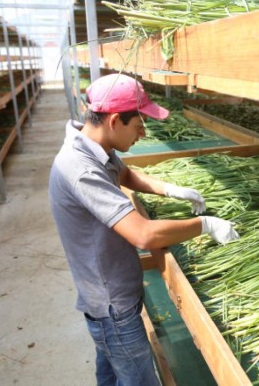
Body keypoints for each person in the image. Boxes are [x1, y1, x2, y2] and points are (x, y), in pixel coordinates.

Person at [48, 73, 239, 386]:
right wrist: (205, 225)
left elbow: (125, 175)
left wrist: (171, 190)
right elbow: (143, 234)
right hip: (113, 307)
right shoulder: (80, 168)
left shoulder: (92, 145)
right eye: (138, 127)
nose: (142, 134)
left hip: (108, 296)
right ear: (113, 121)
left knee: (109, 373)